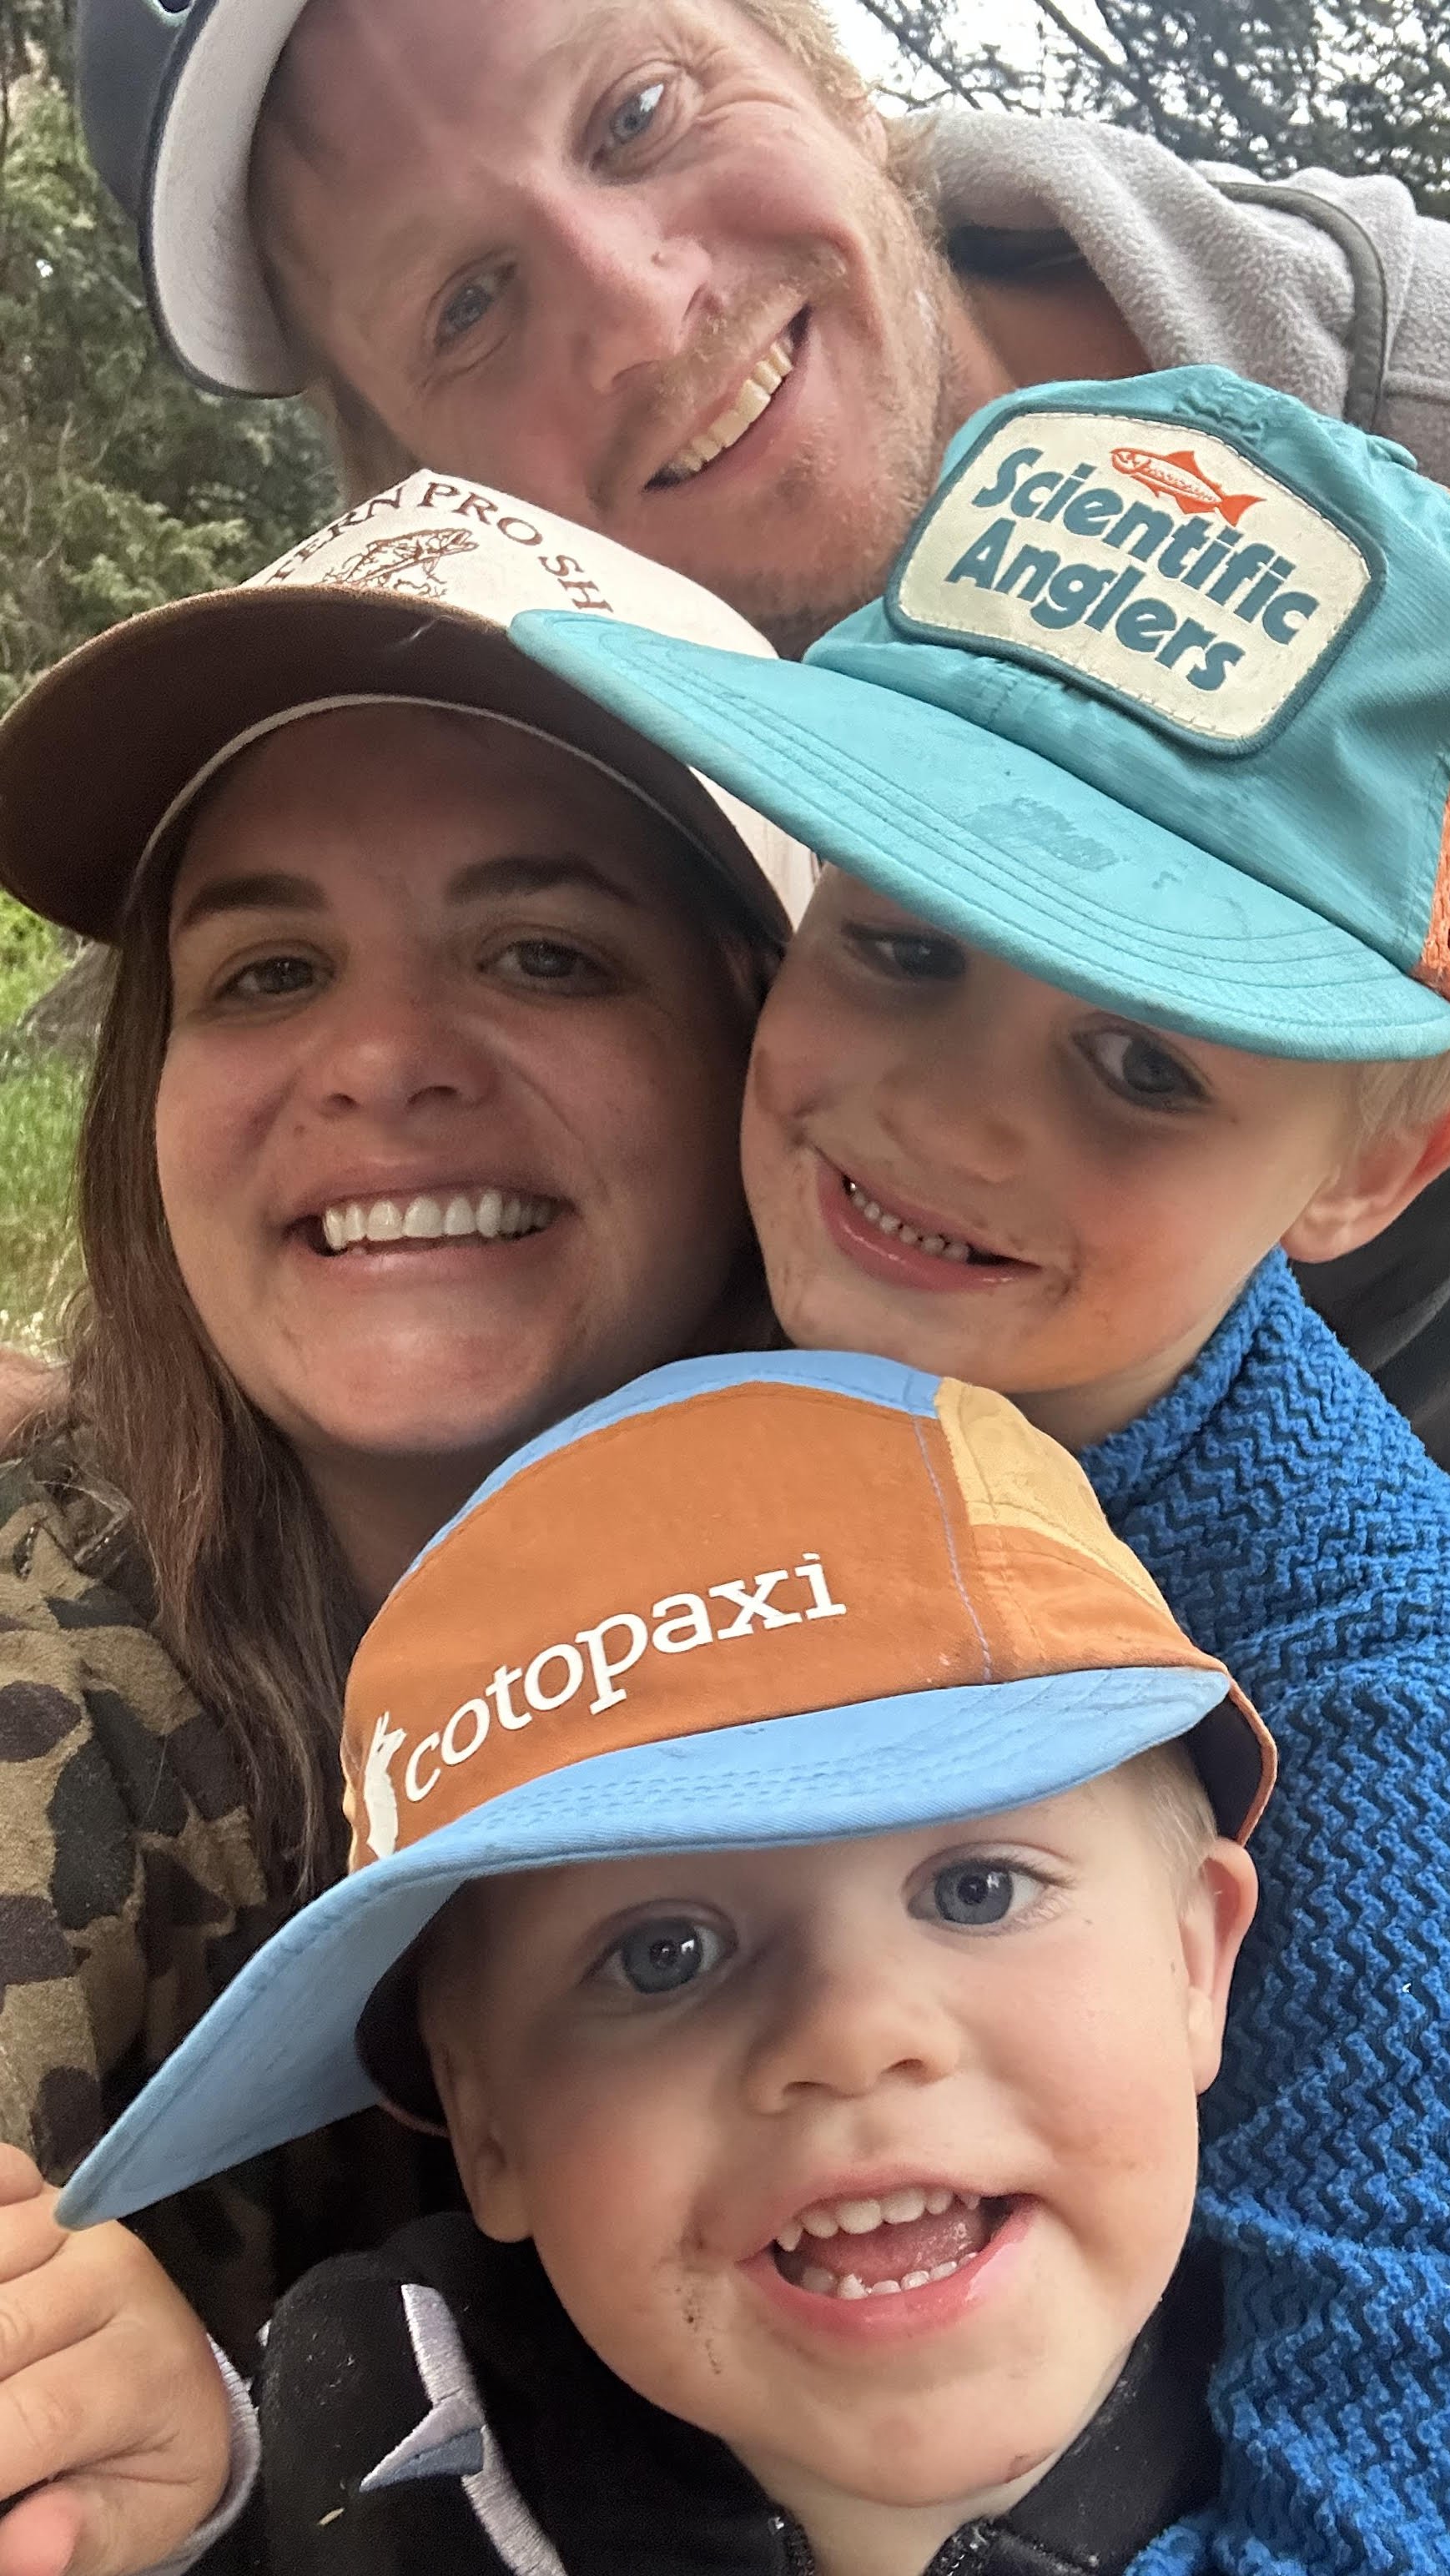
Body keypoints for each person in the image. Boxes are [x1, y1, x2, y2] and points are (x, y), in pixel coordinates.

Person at [72, 0, 1450, 1919]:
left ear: (820, 62)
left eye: (636, 111)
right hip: (796, 1640)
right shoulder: (540, 650)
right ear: (395, 452)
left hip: (1415, 1576)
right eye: (465, 302)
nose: (637, 310)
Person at [509, 369, 1450, 2574]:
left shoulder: (1390, 1695)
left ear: (1379, 1163)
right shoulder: (734, 1343)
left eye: (1138, 1060)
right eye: (898, 945)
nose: (946, 1116)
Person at [0, 1352, 1272, 2576]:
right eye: (666, 1955)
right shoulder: (375, 2414)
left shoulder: (1370, 2406)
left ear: (1193, 1958)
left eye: (978, 1890)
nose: (854, 2032)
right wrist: (196, 2515)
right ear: (484, 2124)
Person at [0, 475, 813, 2353]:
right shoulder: (60, 1666)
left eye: (545, 951)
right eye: (269, 971)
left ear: (766, 1044)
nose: (376, 1062)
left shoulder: (1004, 1633)